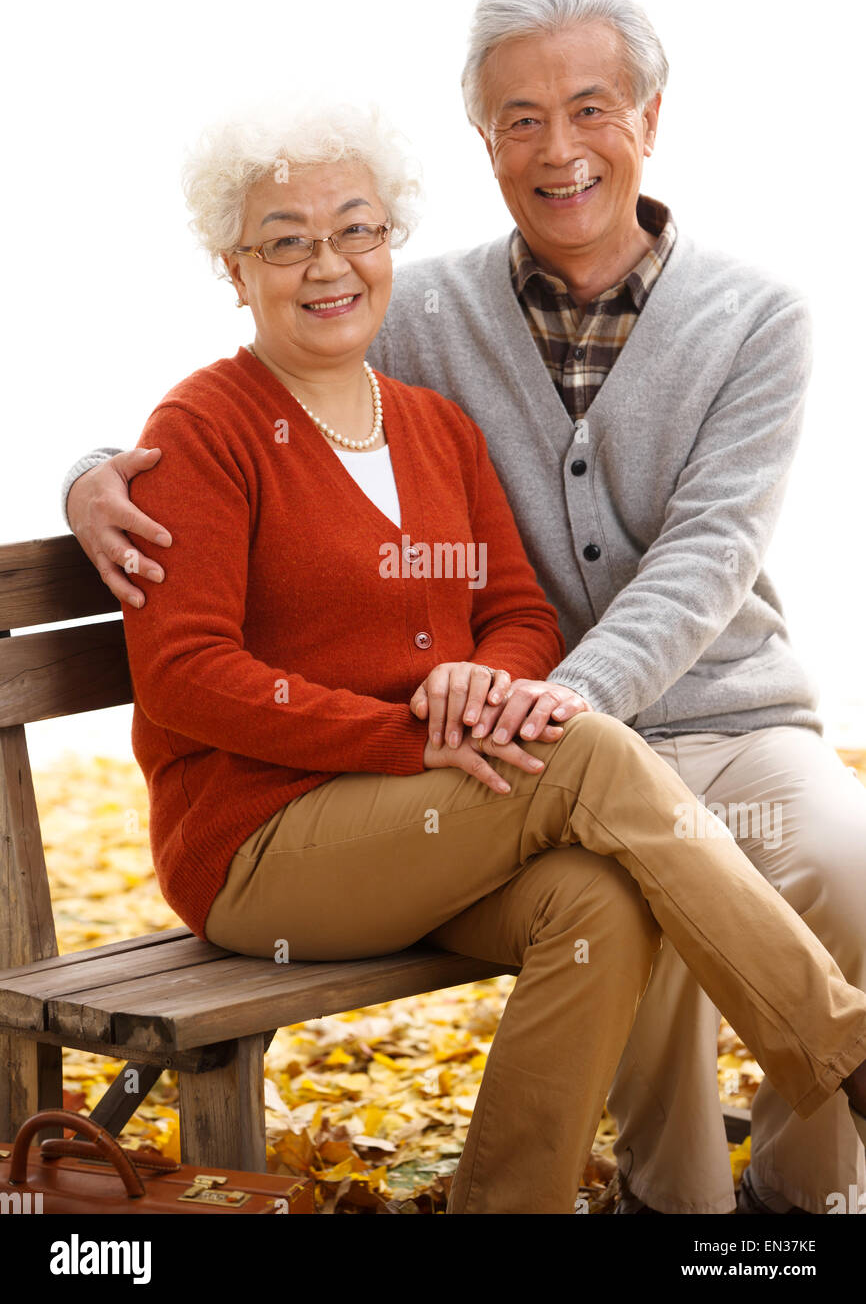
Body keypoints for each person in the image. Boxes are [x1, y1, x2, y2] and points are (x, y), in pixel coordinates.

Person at [62, 95, 866, 1217]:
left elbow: (517, 609)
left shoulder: (434, 425)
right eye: (283, 240)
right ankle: (840, 1047)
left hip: (420, 820)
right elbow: (189, 675)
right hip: (263, 841)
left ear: (391, 242)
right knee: (584, 751)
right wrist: (410, 733)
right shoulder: (208, 428)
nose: (326, 263)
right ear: (231, 269)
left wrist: (487, 677)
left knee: (597, 902)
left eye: (355, 228)